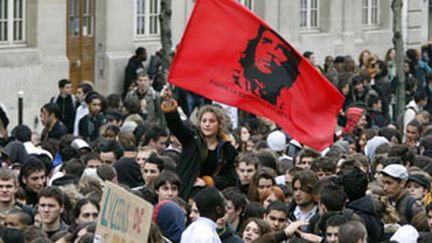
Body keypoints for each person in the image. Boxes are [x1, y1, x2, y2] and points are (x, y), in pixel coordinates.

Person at [161, 87, 238, 200]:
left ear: (219, 124)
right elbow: (176, 125)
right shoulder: (192, 138)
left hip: (210, 196)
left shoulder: (227, 149)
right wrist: (169, 103)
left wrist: (207, 181)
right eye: (204, 121)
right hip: (185, 191)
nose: (207, 124)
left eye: (211, 121)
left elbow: (230, 178)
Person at [233, 24, 301, 108]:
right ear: (256, 44)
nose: (270, 52)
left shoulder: (287, 96)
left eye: (280, 48)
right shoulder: (236, 81)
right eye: (266, 42)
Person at [380, 164, 429, 231]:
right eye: (383, 183)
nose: (385, 188)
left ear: (402, 183)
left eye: (389, 183)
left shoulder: (413, 206)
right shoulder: (385, 201)